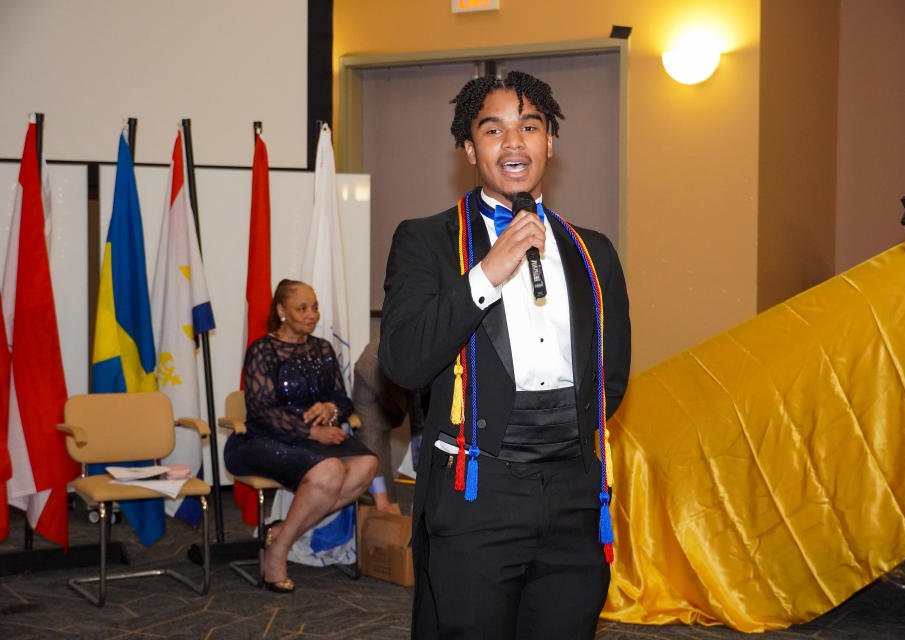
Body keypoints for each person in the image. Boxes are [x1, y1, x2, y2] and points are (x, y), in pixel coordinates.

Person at [379, 71, 631, 639]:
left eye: (529, 127)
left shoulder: (594, 253)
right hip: (477, 493)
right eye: (493, 130)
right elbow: (403, 362)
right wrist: (488, 273)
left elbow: (609, 376)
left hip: (573, 494)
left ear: (550, 143)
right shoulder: (426, 241)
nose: (513, 143)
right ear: (470, 149)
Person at [224, 279, 378, 593]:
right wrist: (310, 430)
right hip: (263, 440)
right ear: (281, 310)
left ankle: (280, 533)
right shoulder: (263, 350)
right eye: (302, 308)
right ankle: (279, 552)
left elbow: (344, 400)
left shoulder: (322, 348)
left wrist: (329, 408)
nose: (312, 315)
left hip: (312, 438)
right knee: (331, 471)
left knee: (366, 465)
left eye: (315, 307)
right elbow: (260, 411)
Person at [352, 332, 426, 514]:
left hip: (436, 387)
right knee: (381, 497)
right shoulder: (368, 370)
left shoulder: (432, 357)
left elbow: (423, 428)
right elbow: (370, 436)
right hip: (386, 399)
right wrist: (382, 500)